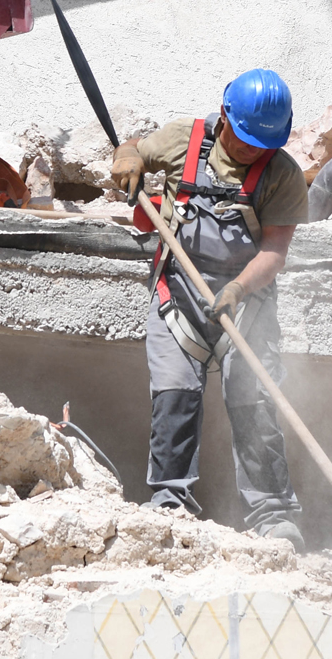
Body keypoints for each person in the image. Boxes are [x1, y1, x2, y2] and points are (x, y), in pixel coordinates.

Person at [109, 69, 307, 551]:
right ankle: (170, 505)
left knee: (254, 403)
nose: (255, 150)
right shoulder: (185, 140)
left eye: (264, 144)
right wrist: (127, 158)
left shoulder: (282, 174)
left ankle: (273, 515)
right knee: (175, 397)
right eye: (246, 140)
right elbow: (134, 150)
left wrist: (238, 288)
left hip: (246, 300)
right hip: (177, 294)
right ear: (224, 117)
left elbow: (275, 251)